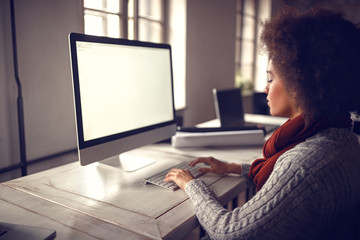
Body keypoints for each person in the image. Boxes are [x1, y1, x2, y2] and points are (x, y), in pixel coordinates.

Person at [164, 6, 360, 240]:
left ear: (299, 84)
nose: (265, 87)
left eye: (271, 77)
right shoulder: (342, 136)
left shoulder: (303, 166)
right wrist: (233, 168)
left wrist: (191, 185)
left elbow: (229, 232)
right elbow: (284, 181)